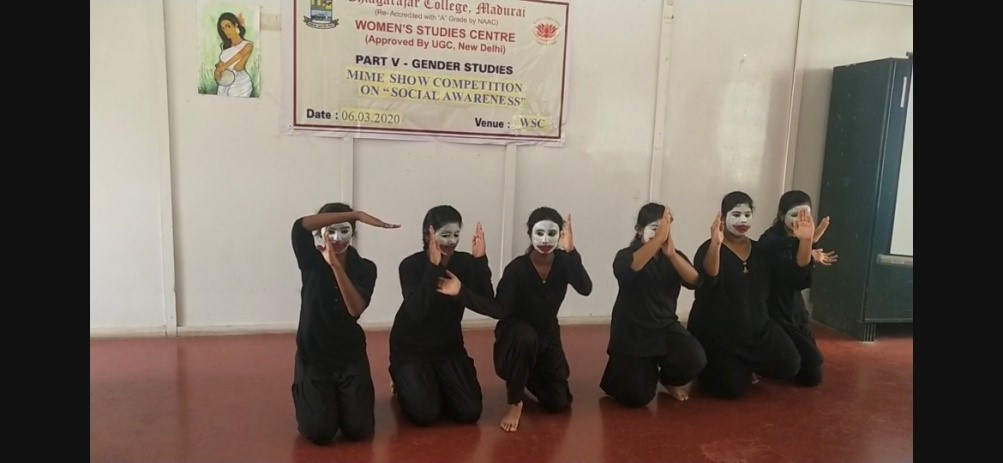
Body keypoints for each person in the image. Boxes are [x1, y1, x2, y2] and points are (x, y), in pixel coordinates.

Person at [290, 203, 400, 445]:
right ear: (320, 234)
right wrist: (356, 215)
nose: (338, 238)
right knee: (319, 432)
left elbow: (355, 309)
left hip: (349, 355)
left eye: (344, 230)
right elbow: (299, 227)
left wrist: (336, 266)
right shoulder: (310, 260)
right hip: (314, 355)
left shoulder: (366, 268)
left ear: (353, 233)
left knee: (359, 430)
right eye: (330, 231)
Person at [388, 205, 507, 426]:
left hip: (448, 347)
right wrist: (433, 267)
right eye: (445, 235)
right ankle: (400, 377)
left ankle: (432, 382)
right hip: (411, 348)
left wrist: (479, 262)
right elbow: (416, 311)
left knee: (470, 411)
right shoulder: (410, 265)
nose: (451, 241)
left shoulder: (465, 263)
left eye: (456, 235)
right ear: (429, 235)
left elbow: (494, 308)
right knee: (425, 414)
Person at [687, 191, 803, 399]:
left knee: (791, 364)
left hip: (756, 330)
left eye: (747, 215)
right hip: (719, 334)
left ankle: (744, 365)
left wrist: (808, 243)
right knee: (732, 389)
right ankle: (719, 367)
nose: (742, 220)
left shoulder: (760, 250)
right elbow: (708, 280)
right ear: (723, 217)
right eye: (736, 214)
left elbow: (791, 276)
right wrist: (716, 244)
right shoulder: (708, 248)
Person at [493, 207, 592, 432]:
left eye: (552, 233)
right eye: (539, 233)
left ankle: (525, 374)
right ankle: (515, 402)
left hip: (547, 334)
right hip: (516, 333)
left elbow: (585, 288)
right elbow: (500, 308)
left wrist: (572, 251)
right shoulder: (517, 268)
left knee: (558, 402)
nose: (545, 240)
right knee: (526, 337)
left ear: (560, 235)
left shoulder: (564, 262)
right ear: (530, 234)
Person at [600, 202, 706, 408]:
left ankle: (667, 379)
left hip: (664, 326)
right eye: (655, 229)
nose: (661, 235)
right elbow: (629, 270)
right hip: (632, 331)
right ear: (639, 230)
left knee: (695, 358)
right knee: (636, 397)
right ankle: (633, 372)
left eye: (665, 230)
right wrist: (657, 241)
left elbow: (695, 281)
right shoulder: (626, 255)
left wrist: (672, 255)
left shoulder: (672, 255)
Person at [758, 190, 837, 387]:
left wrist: (809, 241)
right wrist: (808, 243)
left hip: (795, 309)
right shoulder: (770, 238)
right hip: (774, 311)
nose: (800, 220)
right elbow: (775, 248)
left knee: (812, 375)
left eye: (805, 215)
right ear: (781, 216)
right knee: (809, 359)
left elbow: (800, 277)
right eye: (794, 215)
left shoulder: (803, 238)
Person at [214, 12, 254, 97]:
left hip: (240, 83)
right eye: (223, 28)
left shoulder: (248, 45)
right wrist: (217, 73)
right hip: (224, 83)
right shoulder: (225, 48)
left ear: (235, 25)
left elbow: (239, 56)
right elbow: (219, 70)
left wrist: (224, 66)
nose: (226, 31)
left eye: (228, 26)